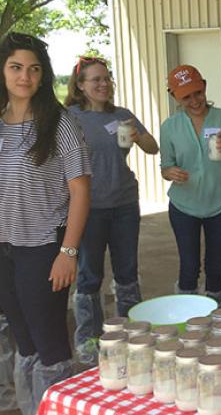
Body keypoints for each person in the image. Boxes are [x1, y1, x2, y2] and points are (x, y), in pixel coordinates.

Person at [0, 32, 91, 415]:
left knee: (50, 344)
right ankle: (31, 407)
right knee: (24, 342)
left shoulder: (60, 123)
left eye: (34, 69)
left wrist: (68, 252)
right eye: (16, 67)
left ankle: (59, 407)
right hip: (5, 250)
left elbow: (82, 191)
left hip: (43, 247)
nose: (25, 76)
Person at [64, 56, 159, 365]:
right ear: (80, 86)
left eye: (106, 78)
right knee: (89, 276)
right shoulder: (70, 117)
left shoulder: (122, 115)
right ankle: (89, 341)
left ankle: (132, 335)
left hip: (124, 205)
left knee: (127, 273)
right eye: (96, 80)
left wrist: (138, 136)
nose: (103, 84)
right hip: (88, 208)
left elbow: (152, 147)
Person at [160, 64, 221, 304]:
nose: (195, 100)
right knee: (189, 267)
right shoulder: (170, 127)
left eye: (198, 93)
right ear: (174, 97)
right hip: (183, 206)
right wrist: (170, 172)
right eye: (186, 97)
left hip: (219, 203)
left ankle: (217, 318)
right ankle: (189, 319)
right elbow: (165, 167)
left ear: (204, 87)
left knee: (216, 266)